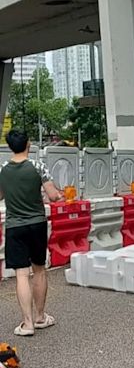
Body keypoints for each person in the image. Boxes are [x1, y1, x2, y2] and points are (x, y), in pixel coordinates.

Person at [0, 130, 63, 336]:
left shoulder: (3, 170)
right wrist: (61, 195)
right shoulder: (38, 166)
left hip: (14, 226)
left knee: (20, 274)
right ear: (28, 144)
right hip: (36, 224)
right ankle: (40, 316)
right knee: (39, 270)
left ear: (10, 147)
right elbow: (53, 196)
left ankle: (27, 324)